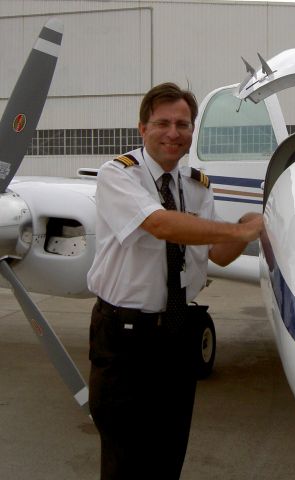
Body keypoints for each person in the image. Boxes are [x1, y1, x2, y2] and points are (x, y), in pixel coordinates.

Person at [87, 82, 264, 480]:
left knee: (169, 455)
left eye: (183, 124)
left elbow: (216, 253)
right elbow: (159, 224)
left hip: (178, 332)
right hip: (124, 336)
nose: (173, 133)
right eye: (162, 123)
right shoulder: (118, 175)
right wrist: (237, 233)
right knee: (124, 460)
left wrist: (246, 225)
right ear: (142, 129)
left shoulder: (198, 185)